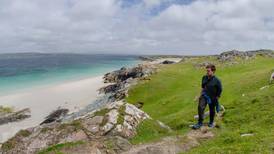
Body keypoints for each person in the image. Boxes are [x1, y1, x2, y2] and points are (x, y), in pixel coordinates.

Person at [192, 64, 222, 129]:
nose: (207, 72)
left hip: (213, 97)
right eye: (206, 71)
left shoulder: (217, 80)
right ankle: (200, 123)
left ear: (213, 71)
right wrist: (199, 96)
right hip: (204, 95)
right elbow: (203, 87)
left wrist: (217, 98)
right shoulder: (204, 77)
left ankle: (211, 122)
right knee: (200, 107)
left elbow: (220, 89)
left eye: (208, 71)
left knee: (212, 110)